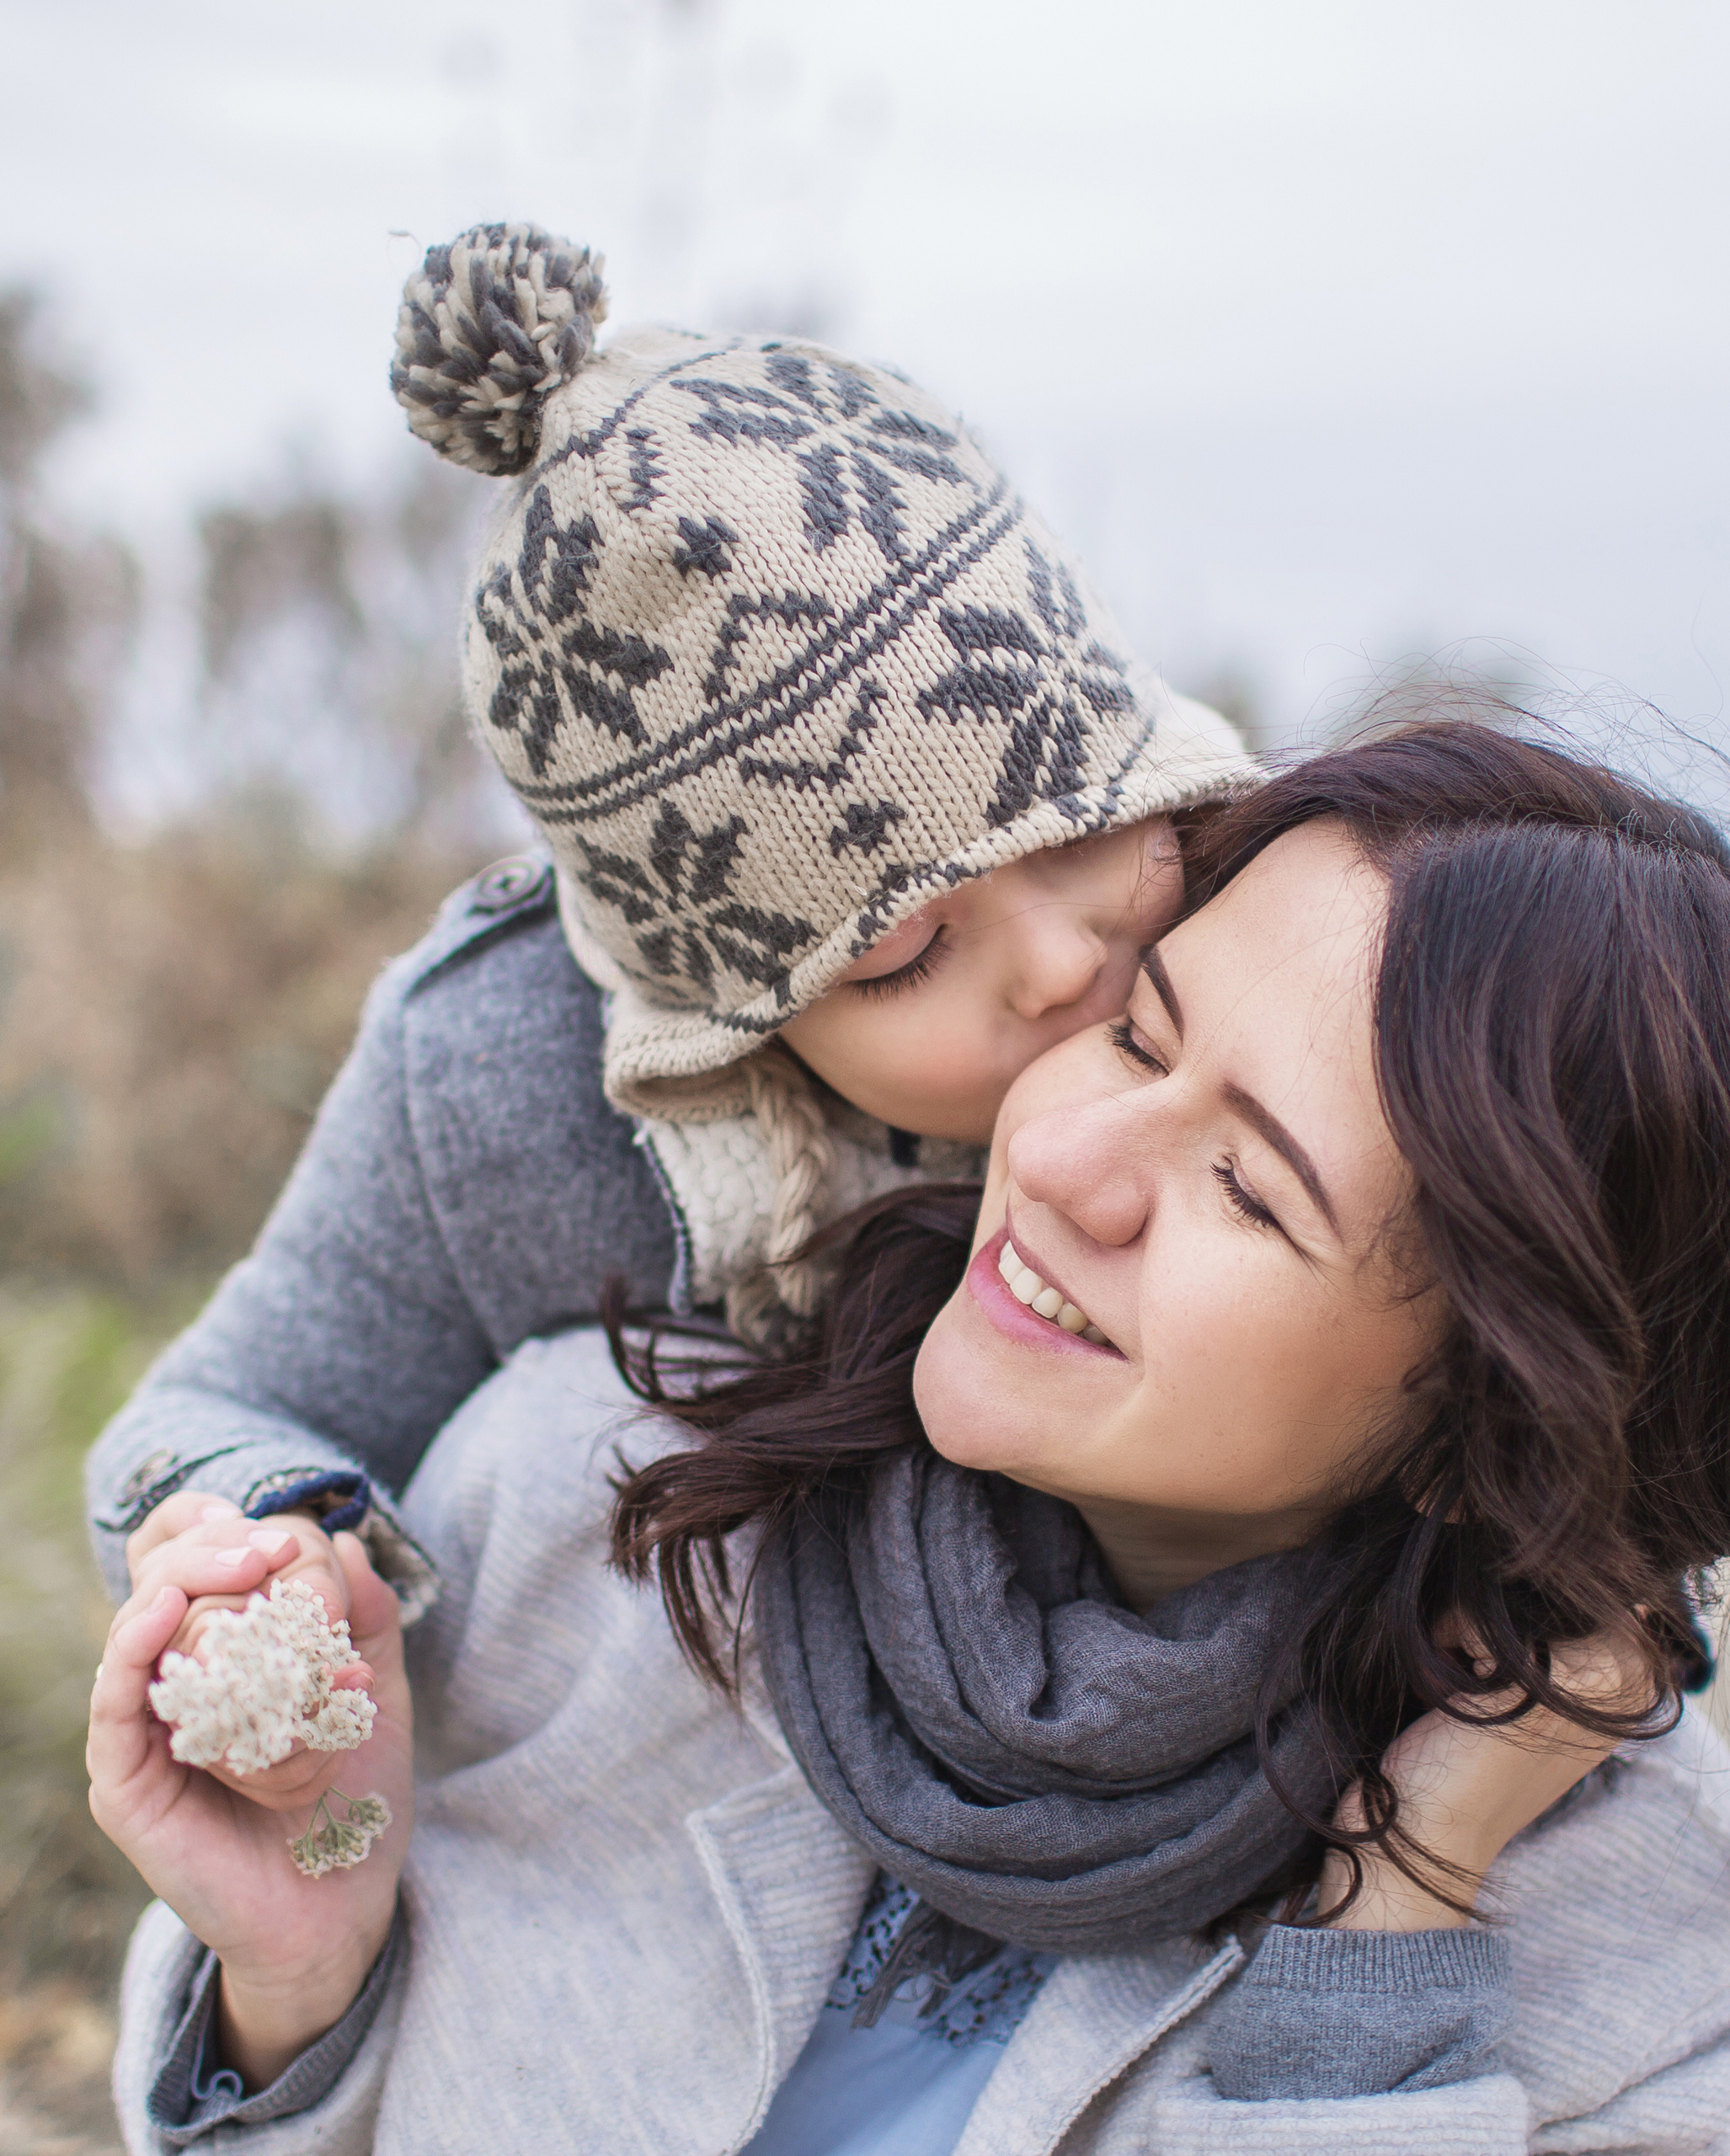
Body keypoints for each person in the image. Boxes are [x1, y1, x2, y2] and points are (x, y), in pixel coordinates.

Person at [90, 722, 1730, 2153]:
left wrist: (1388, 1927)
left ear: (1490, 1422)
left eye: (1246, 1184)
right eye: (1137, 1034)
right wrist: (297, 1979)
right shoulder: (600, 1495)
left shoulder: (1632, 1947)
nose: (1073, 1153)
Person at [83, 219, 1246, 1697]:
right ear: (718, 1014)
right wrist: (270, 1547)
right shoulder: (499, 1087)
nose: (1060, 965)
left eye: (1087, 827)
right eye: (897, 950)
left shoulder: (1274, 930)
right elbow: (213, 1408)